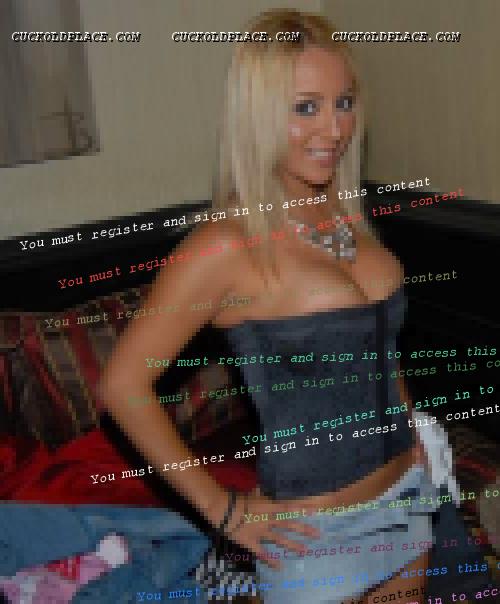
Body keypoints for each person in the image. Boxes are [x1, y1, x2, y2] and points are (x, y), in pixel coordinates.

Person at [100, 9, 457, 603]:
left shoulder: (345, 213)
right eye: (305, 108)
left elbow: (381, 348)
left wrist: (413, 433)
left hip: (406, 501)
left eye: (344, 103)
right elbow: (121, 385)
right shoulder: (224, 245)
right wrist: (223, 509)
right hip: (313, 537)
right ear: (258, 116)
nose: (333, 129)